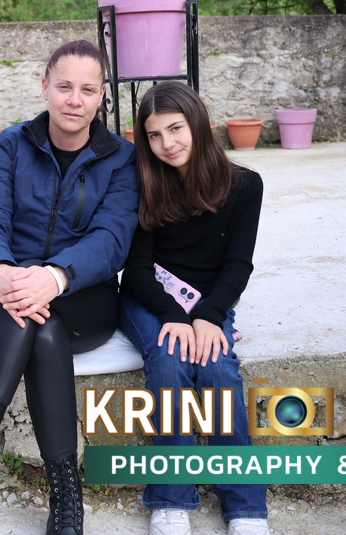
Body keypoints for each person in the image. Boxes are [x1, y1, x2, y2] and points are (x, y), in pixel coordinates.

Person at [0, 40, 139, 535]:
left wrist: (56, 277)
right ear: (45, 87)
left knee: (43, 319)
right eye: (64, 87)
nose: (74, 100)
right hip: (4, 294)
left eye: (87, 90)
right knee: (37, 324)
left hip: (85, 298)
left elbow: (112, 239)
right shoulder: (11, 144)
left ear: (102, 95)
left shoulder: (122, 158)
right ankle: (66, 496)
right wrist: (0, 270)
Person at [118, 82, 268, 535]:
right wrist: (173, 317)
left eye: (175, 128)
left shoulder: (245, 185)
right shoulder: (143, 183)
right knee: (169, 360)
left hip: (208, 302)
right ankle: (170, 499)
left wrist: (208, 316)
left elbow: (238, 265)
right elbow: (136, 270)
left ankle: (245, 506)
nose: (166, 143)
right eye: (154, 134)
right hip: (150, 299)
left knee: (218, 369)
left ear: (198, 124)